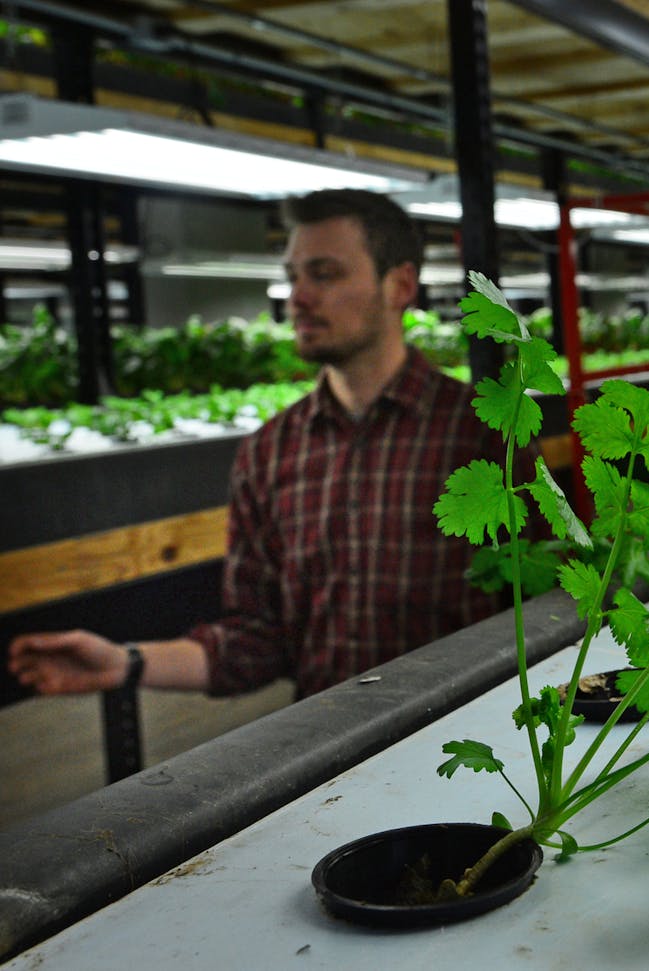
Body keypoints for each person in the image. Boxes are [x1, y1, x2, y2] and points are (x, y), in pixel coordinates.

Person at [8, 189, 509, 700]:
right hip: (329, 756)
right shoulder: (271, 452)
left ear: (400, 285)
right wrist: (126, 663)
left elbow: (540, 610)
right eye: (293, 276)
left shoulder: (481, 434)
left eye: (325, 274)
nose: (297, 297)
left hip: (467, 745)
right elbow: (258, 640)